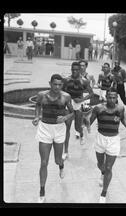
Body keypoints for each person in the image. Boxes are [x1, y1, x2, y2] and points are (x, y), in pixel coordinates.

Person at [32, 74, 74, 203]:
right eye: (54, 84)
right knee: (44, 162)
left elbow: (72, 112)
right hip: (45, 128)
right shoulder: (42, 95)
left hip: (59, 129)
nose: (57, 87)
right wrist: (37, 116)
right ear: (50, 83)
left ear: (62, 85)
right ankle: (42, 190)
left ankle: (61, 166)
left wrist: (65, 118)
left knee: (57, 160)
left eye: (59, 85)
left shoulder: (66, 97)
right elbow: (38, 106)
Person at [87, 88, 126, 203]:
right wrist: (83, 120)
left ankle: (104, 192)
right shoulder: (98, 108)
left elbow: (123, 119)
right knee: (100, 164)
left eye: (114, 97)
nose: (112, 99)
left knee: (108, 168)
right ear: (106, 97)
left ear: (117, 98)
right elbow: (89, 122)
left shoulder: (120, 108)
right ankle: (102, 173)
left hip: (114, 140)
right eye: (109, 97)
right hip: (100, 139)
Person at [62, 62, 94, 160]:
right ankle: (66, 152)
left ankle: (81, 134)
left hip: (79, 102)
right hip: (69, 103)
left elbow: (91, 93)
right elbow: (62, 92)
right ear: (71, 69)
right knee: (67, 127)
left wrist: (82, 100)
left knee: (77, 127)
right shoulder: (67, 80)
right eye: (73, 70)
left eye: (76, 70)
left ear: (80, 70)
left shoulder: (84, 81)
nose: (74, 71)